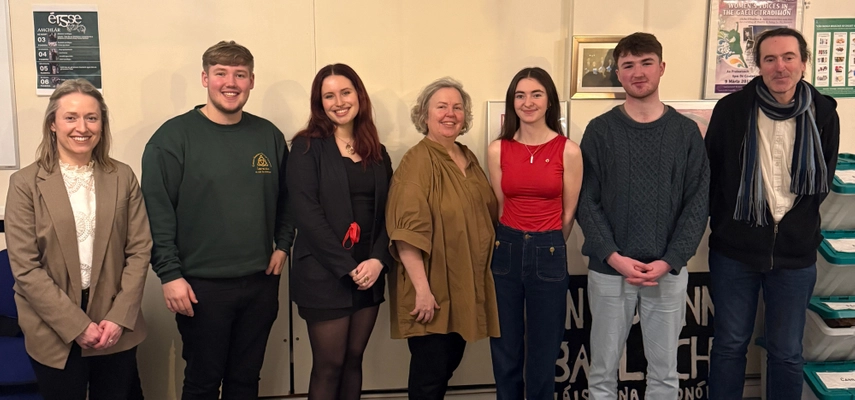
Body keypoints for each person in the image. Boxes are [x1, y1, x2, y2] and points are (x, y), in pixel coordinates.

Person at [140, 40, 295, 399]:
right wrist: (170, 274)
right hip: (199, 286)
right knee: (203, 381)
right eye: (221, 73)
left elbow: (289, 200)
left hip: (260, 282)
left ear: (251, 81)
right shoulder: (171, 139)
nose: (231, 83)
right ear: (204, 78)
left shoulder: (268, 136)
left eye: (240, 75)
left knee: (245, 379)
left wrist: (283, 245)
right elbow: (156, 213)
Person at [705, 28, 840, 400]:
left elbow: (822, 181)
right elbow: (712, 175)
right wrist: (730, 225)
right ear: (758, 65)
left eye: (788, 57)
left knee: (787, 352)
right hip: (735, 252)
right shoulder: (731, 110)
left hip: (795, 256)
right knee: (730, 345)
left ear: (803, 62)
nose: (780, 66)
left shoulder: (825, 112)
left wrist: (796, 230)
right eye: (770, 59)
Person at [576, 32, 709, 399]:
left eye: (646, 62)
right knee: (602, 372)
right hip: (610, 270)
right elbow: (586, 201)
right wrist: (614, 257)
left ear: (662, 67)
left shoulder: (686, 133)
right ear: (618, 74)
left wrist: (671, 260)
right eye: (628, 65)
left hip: (666, 272)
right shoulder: (600, 131)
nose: (638, 72)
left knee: (665, 376)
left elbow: (698, 203)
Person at [4, 78, 151, 399]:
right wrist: (77, 326)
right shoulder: (25, 183)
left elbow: (140, 251)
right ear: (53, 124)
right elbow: (26, 268)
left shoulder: (123, 176)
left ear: (102, 124)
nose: (82, 127)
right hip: (51, 323)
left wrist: (118, 317)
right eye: (71, 117)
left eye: (92, 117)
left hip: (115, 320)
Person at [386, 77, 500, 400]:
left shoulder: (468, 158)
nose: (450, 114)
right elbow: (405, 232)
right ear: (424, 115)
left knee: (445, 368)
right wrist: (422, 290)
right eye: (441, 107)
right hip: (432, 289)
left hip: (461, 285)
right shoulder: (417, 162)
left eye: (457, 107)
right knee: (429, 378)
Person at [287, 63, 393, 400]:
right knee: (329, 365)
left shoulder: (377, 151)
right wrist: (346, 266)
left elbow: (390, 213)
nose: (339, 101)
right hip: (324, 273)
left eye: (345, 92)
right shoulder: (306, 148)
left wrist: (378, 260)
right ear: (320, 103)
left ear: (359, 95)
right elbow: (306, 214)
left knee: (353, 360)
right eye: (329, 95)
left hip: (369, 272)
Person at [486, 67, 582, 400]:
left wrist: (547, 243)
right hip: (506, 249)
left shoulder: (567, 150)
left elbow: (568, 214)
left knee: (544, 349)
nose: (528, 102)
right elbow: (499, 205)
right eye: (520, 95)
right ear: (512, 102)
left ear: (549, 101)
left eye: (536, 94)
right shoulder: (498, 149)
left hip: (549, 251)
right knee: (505, 347)